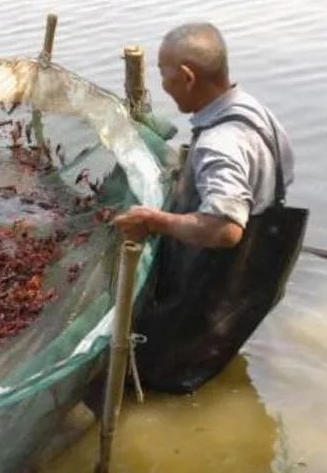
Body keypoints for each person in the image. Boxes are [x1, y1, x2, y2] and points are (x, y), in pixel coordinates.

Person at [111, 22, 304, 393]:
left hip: (214, 278)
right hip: (253, 274)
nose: (164, 85)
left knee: (157, 375)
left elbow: (226, 229)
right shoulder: (255, 112)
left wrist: (154, 219)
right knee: (213, 343)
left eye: (163, 75)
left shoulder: (221, 142)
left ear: (186, 76)